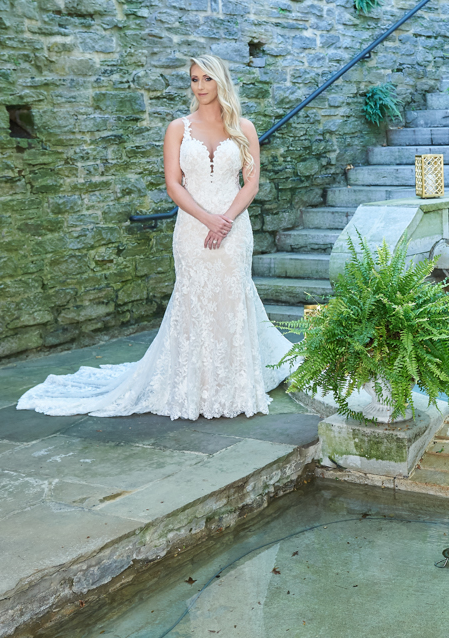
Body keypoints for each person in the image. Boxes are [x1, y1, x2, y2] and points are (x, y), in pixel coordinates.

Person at [17, 56, 293, 420]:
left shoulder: (244, 127)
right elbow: (174, 185)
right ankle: (196, 387)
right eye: (194, 79)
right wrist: (207, 219)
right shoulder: (178, 128)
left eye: (207, 78)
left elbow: (251, 182)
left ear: (221, 81)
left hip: (234, 228)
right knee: (194, 297)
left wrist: (225, 220)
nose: (200, 86)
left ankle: (233, 386)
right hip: (192, 228)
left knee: (231, 296)